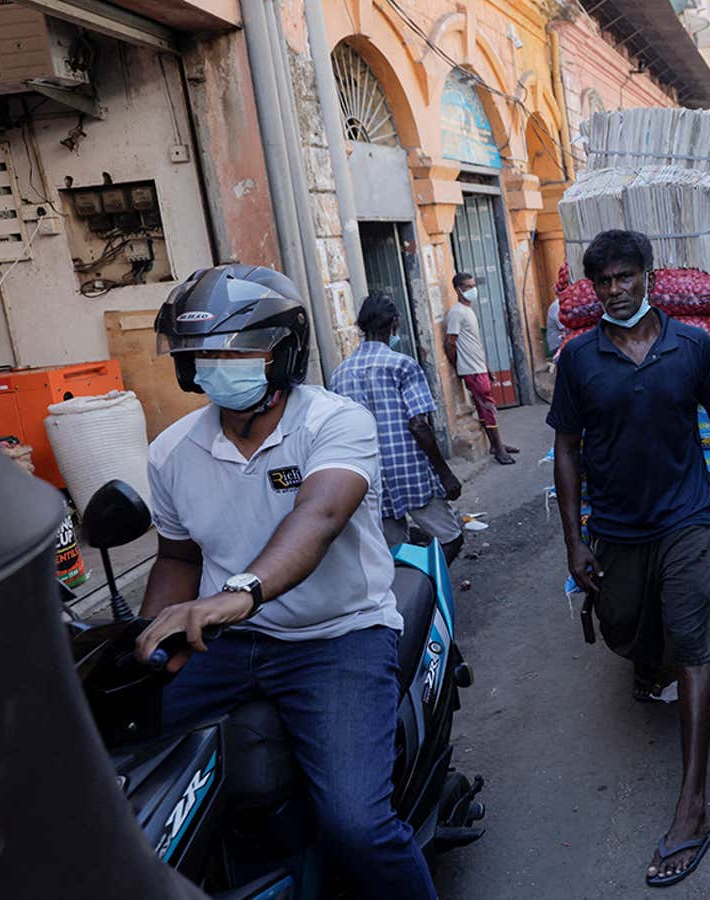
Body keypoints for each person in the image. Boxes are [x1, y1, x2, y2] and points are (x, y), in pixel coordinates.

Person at [135, 265, 435, 899]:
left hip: (339, 637)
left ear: (281, 350)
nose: (217, 364)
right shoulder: (170, 452)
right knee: (139, 778)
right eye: (202, 353)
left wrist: (237, 594)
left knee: (357, 825)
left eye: (236, 348)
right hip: (232, 643)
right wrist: (153, 638)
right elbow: (177, 556)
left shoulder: (336, 422)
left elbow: (319, 516)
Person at [549, 230, 710, 888]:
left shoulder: (691, 345)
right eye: (603, 281)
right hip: (615, 528)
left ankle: (692, 805)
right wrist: (575, 542)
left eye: (625, 277)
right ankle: (647, 659)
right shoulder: (580, 359)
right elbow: (567, 451)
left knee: (692, 640)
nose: (614, 290)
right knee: (624, 627)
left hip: (688, 518)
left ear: (650, 277)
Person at [331, 292, 465, 562]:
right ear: (395, 322)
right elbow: (419, 426)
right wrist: (445, 473)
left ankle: (408, 597)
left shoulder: (339, 375)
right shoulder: (403, 365)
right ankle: (430, 593)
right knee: (451, 537)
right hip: (410, 472)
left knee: (395, 552)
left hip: (370, 479)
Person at [445, 272, 516, 465]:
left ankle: (496, 444)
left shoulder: (468, 310)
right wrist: (458, 365)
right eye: (468, 287)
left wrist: (486, 366)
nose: (472, 290)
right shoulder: (457, 312)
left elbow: (474, 343)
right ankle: (499, 449)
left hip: (478, 366)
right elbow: (451, 343)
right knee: (487, 406)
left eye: (473, 286)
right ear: (458, 289)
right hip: (471, 369)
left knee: (484, 407)